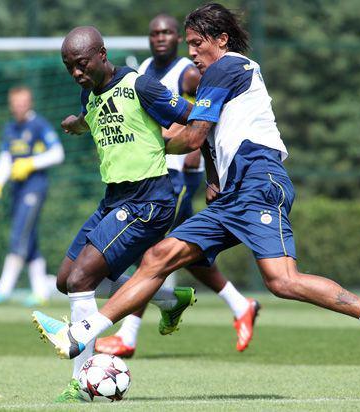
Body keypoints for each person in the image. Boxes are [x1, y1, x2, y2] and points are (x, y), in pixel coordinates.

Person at [34, 4, 360, 370]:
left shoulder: (226, 67)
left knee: (282, 281)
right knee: (158, 258)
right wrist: (214, 177)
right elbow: (208, 135)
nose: (191, 53)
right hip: (234, 193)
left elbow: (194, 135)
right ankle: (82, 333)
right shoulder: (217, 74)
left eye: (197, 43)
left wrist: (141, 143)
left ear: (221, 40)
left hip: (260, 183)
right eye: (189, 44)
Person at [32, 26, 198, 402]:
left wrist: (201, 160)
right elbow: (94, 116)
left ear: (102, 55)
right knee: (65, 280)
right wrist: (78, 123)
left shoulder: (141, 85)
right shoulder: (89, 92)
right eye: (69, 67)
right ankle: (169, 299)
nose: (76, 72)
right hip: (114, 199)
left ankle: (80, 385)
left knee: (82, 280)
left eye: (81, 64)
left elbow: (192, 116)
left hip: (148, 200)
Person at [95, 13, 260, 359]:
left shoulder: (189, 72)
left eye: (168, 33)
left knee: (150, 250)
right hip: (153, 173)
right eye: (155, 33)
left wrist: (205, 166)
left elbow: (205, 120)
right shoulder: (142, 70)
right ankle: (239, 304)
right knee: (181, 251)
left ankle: (128, 334)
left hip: (179, 175)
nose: (160, 38)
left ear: (177, 39)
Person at [0, 87, 65, 307]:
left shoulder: (39, 125)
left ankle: (4, 288)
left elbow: (58, 154)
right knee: (30, 240)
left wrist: (31, 163)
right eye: (15, 103)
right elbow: (5, 158)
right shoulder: (10, 128)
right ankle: (41, 292)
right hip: (17, 190)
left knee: (19, 234)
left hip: (35, 188)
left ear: (30, 103)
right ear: (11, 105)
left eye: (23, 102)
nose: (19, 107)